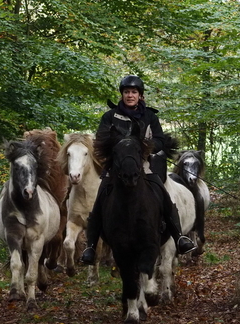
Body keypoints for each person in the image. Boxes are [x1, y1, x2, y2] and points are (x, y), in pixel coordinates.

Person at [80, 75, 196, 265]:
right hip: (116, 169)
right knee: (99, 200)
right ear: (122, 94)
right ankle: (91, 246)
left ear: (140, 95)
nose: (130, 95)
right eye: (127, 92)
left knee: (163, 194)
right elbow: (101, 142)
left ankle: (179, 237)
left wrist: (144, 146)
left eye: (134, 92)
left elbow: (160, 140)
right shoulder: (109, 117)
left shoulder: (150, 116)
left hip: (144, 165)